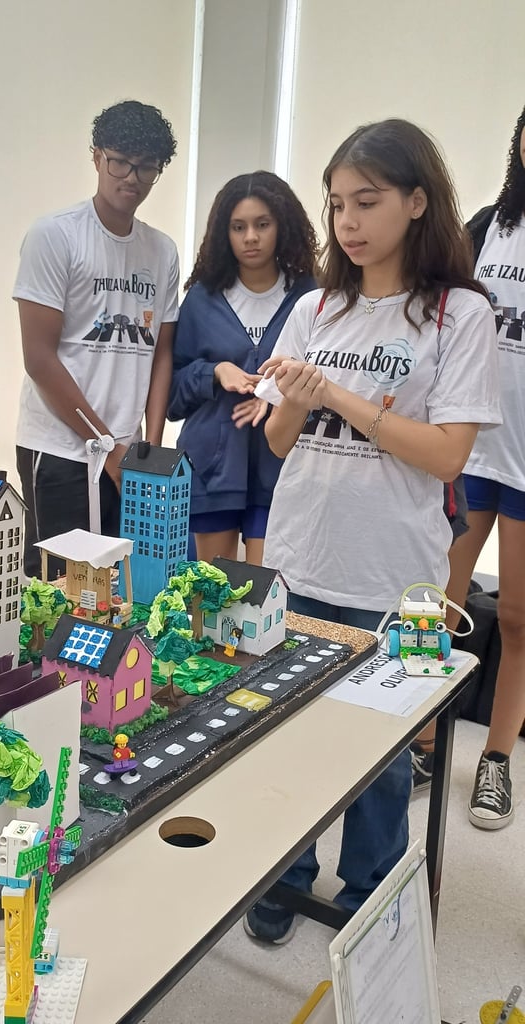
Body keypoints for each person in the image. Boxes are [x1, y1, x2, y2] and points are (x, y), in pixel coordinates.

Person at [244, 118, 500, 945]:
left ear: (417, 201)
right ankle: (285, 875)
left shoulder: (459, 314)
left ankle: (367, 895)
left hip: (398, 574)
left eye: (367, 201)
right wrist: (294, 400)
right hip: (300, 556)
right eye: (337, 205)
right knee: (285, 732)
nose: (347, 223)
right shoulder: (316, 307)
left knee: (382, 749)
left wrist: (335, 394)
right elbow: (278, 442)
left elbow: (448, 453)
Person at [14, 99, 180, 578]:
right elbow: (38, 358)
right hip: (62, 449)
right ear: (96, 157)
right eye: (119, 162)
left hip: (127, 453)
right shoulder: (55, 236)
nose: (132, 177)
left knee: (123, 586)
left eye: (146, 167)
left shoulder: (162, 250)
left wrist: (148, 450)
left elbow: (161, 353)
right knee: (61, 590)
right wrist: (107, 448)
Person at [431, 104, 525, 831]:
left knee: (518, 619)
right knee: (437, 603)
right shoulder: (489, 227)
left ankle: (495, 759)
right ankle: (422, 739)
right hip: (471, 451)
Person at [168, 172, 317, 565]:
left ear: (282, 226)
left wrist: (275, 394)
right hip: (212, 472)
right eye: (239, 227)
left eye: (262, 224)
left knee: (265, 595)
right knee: (209, 594)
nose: (251, 237)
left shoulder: (310, 297)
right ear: (225, 232)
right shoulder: (201, 299)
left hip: (281, 471)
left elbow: (328, 381)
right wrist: (215, 372)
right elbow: (172, 395)